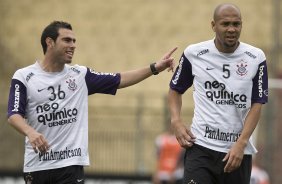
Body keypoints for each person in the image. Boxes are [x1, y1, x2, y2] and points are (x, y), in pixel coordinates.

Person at [7, 21, 177, 184]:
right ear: (49, 42)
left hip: (70, 165)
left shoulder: (80, 75)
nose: (73, 45)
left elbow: (120, 79)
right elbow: (14, 115)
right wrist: (30, 132)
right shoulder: (24, 76)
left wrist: (155, 68)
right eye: (67, 40)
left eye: (74, 41)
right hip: (37, 165)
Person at [168, 3, 268, 184]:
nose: (231, 29)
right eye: (225, 24)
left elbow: (257, 103)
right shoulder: (194, 53)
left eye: (236, 24)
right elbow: (175, 89)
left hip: (236, 152)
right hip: (201, 148)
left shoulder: (256, 57)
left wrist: (241, 143)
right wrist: (176, 121)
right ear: (213, 25)